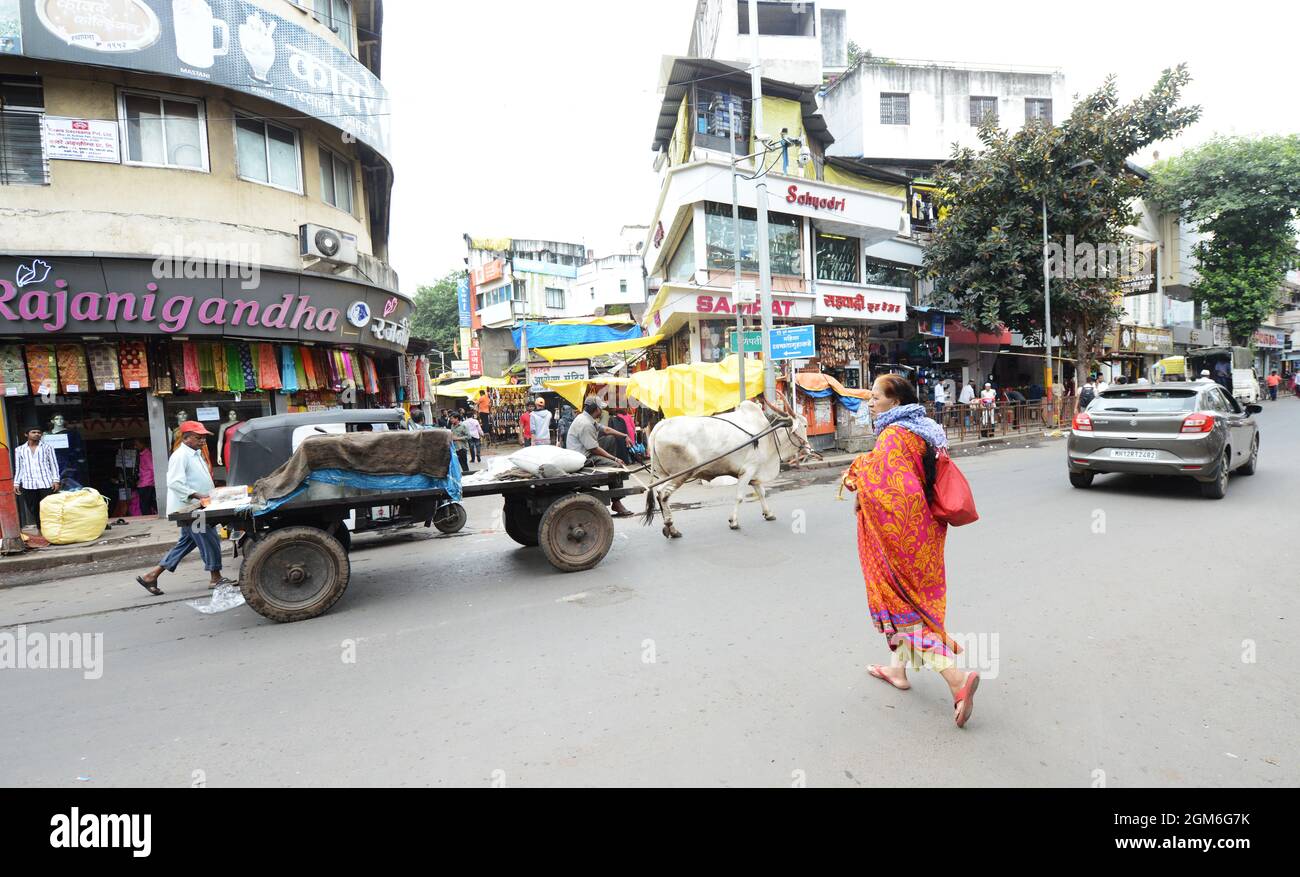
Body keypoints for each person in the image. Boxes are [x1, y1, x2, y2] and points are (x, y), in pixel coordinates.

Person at [841, 374, 979, 728]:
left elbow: (887, 484)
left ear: (895, 403)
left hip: (899, 532)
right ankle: (897, 670)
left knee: (901, 609)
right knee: (910, 601)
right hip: (925, 531)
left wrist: (855, 473)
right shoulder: (924, 430)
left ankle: (956, 679)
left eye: (875, 397)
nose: (870, 402)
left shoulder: (892, 435)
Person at [135, 421, 232, 596]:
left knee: (186, 543)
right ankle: (215, 577)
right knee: (208, 538)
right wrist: (199, 496)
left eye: (203, 437)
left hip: (197, 507)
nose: (202, 440)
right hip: (190, 510)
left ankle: (151, 576)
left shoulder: (195, 454)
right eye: (198, 437)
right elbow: (175, 483)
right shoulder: (180, 456)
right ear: (186, 438)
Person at [565, 399, 634, 516]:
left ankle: (608, 465)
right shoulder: (585, 424)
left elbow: (606, 430)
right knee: (617, 467)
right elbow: (594, 449)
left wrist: (624, 435)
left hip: (586, 451)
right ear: (596, 409)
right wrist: (615, 459)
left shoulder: (586, 418)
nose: (602, 410)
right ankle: (616, 502)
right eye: (600, 408)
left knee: (610, 439)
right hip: (584, 458)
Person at [12, 427, 60, 530]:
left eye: (39, 432)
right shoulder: (19, 450)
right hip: (28, 483)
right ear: (26, 434)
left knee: (48, 508)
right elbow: (19, 467)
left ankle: (51, 531)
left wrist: (56, 480)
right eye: (33, 432)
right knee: (33, 509)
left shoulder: (47, 448)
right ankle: (41, 530)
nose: (37, 434)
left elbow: (54, 465)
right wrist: (16, 483)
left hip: (46, 483)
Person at [135, 438, 156, 516]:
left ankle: (147, 518)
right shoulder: (143, 454)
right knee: (147, 503)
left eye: (137, 445)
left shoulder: (147, 455)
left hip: (147, 483)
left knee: (145, 504)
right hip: (144, 482)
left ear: (143, 444)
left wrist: (153, 481)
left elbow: (152, 468)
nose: (136, 447)